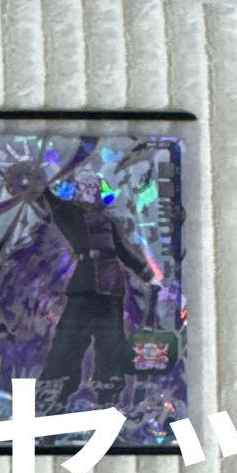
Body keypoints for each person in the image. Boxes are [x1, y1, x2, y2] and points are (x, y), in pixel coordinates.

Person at [38, 169, 159, 400]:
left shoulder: (108, 220)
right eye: (84, 185)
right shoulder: (68, 213)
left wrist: (148, 276)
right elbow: (52, 202)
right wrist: (41, 186)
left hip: (111, 286)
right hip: (83, 288)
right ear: (77, 189)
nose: (88, 189)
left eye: (93, 186)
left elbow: (124, 251)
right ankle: (55, 389)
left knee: (111, 341)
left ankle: (109, 391)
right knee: (69, 338)